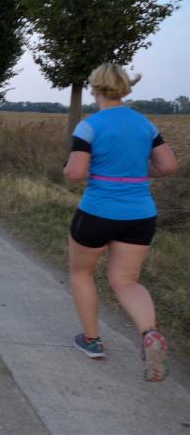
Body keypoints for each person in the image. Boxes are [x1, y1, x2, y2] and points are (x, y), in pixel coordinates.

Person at [63, 63, 177, 382]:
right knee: (126, 280)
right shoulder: (145, 124)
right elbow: (168, 166)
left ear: (94, 88)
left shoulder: (89, 126)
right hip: (140, 215)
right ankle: (150, 333)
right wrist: (138, 173)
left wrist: (69, 169)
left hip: (97, 212)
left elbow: (75, 173)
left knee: (82, 273)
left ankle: (91, 340)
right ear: (125, 87)